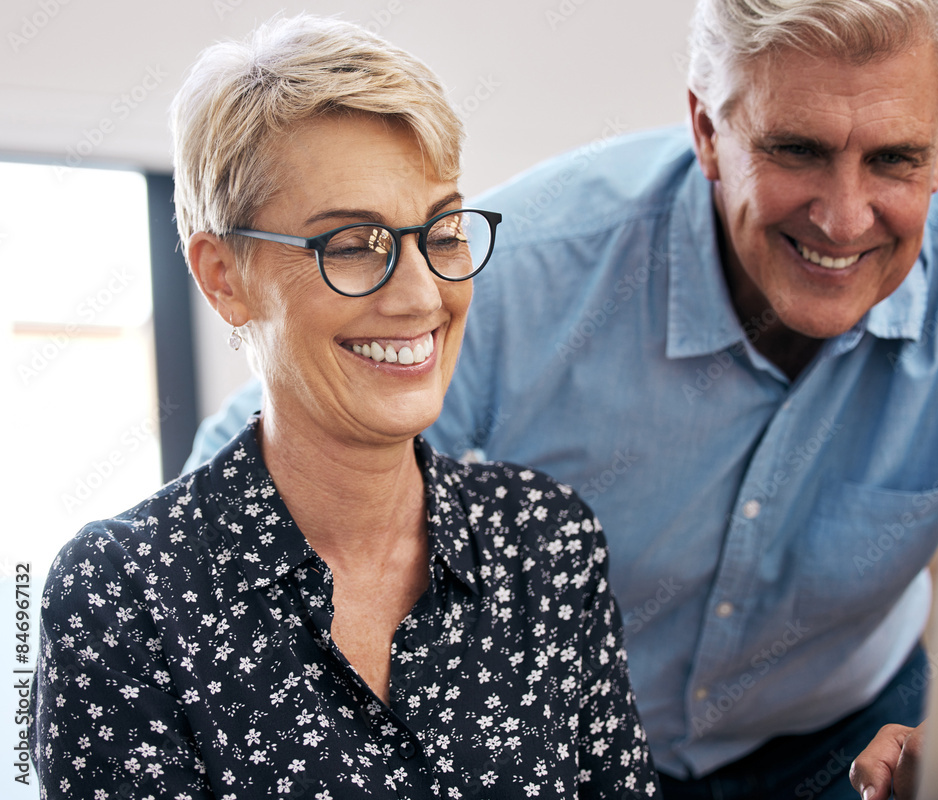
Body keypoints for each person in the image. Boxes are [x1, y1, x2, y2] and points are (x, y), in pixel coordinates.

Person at [187, 0, 938, 797]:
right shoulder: (540, 266)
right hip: (581, 752)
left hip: (854, 734)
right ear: (709, 132)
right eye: (796, 150)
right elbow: (277, 455)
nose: (845, 217)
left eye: (896, 159)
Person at [28, 16, 662, 800]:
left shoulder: (547, 543)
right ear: (224, 276)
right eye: (355, 244)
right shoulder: (122, 596)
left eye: (443, 231)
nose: (423, 295)